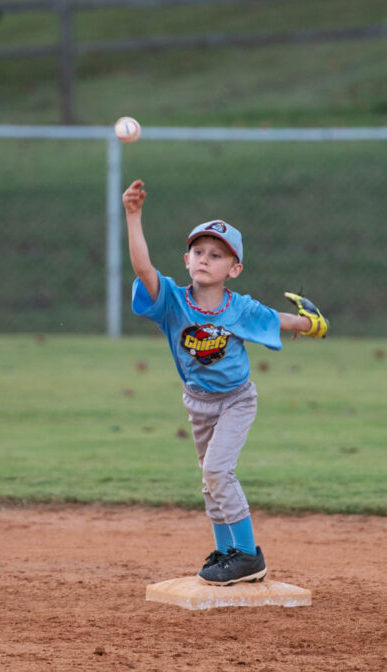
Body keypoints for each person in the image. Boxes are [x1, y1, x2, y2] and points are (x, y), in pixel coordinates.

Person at [123, 178, 328, 585]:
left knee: (218, 471)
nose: (205, 259)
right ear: (186, 260)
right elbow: (143, 268)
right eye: (199, 252)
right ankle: (226, 552)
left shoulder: (240, 308)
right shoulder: (171, 301)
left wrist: (312, 324)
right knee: (210, 481)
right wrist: (133, 215)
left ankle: (249, 556)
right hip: (197, 402)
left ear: (234, 269)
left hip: (236, 400)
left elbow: (277, 319)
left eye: (216, 255)